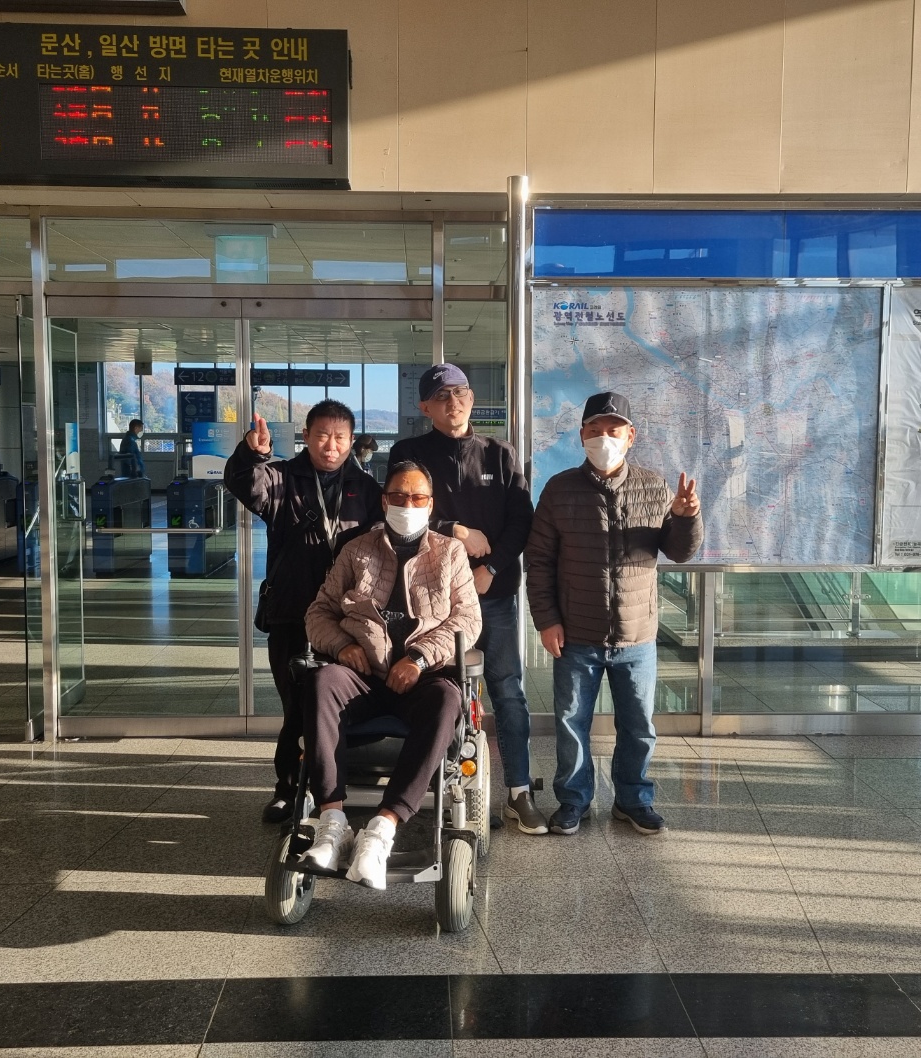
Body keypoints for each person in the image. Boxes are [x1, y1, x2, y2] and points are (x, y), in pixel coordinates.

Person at [524, 391, 702, 837]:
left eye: (613, 430)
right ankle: (574, 800)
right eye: (595, 430)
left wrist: (685, 517)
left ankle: (633, 800)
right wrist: (546, 620)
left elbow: (679, 551)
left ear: (630, 436)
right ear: (581, 435)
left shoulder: (653, 486)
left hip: (637, 636)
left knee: (639, 726)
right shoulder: (560, 489)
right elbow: (539, 561)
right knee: (571, 724)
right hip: (576, 634)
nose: (604, 438)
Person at [298, 460, 482, 889]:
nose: (407, 505)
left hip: (423, 677)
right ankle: (332, 823)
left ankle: (382, 829)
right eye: (399, 496)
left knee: (447, 700)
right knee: (321, 682)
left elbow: (468, 619)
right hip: (364, 674)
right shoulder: (356, 550)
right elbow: (318, 613)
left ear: (430, 505)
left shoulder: (449, 553)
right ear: (384, 501)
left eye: (418, 498)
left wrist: (419, 658)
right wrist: (342, 646)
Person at [388, 364, 542, 834]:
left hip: (493, 595)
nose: (452, 402)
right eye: (441, 396)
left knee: (507, 690)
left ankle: (518, 791)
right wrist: (455, 530)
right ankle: (440, 786)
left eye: (459, 393)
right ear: (424, 407)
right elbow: (398, 509)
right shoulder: (409, 453)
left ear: (471, 399)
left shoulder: (500, 453)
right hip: (432, 603)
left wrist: (490, 570)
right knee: (442, 691)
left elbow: (521, 521)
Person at [226, 401, 382, 824]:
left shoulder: (367, 489)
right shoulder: (280, 478)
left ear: (351, 441)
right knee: (295, 706)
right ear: (307, 437)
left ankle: (333, 786)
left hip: (345, 620)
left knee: (329, 706)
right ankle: (287, 789)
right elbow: (243, 483)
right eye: (322, 436)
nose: (331, 446)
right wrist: (252, 454)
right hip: (292, 613)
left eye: (340, 437)